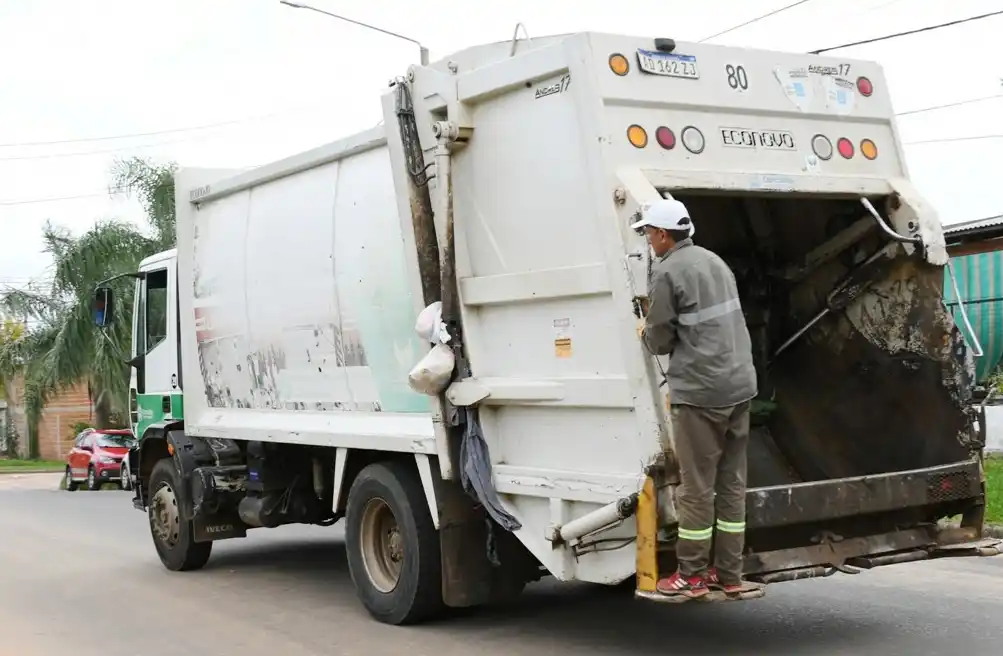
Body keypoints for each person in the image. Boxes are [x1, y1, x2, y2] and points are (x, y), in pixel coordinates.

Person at [631, 197, 758, 599]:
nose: (649, 240)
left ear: (664, 235)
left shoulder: (668, 271)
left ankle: (691, 575)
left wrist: (645, 332)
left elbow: (661, 338)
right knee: (732, 484)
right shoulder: (715, 261)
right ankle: (731, 574)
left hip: (702, 394)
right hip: (740, 386)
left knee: (697, 488)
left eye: (649, 233)